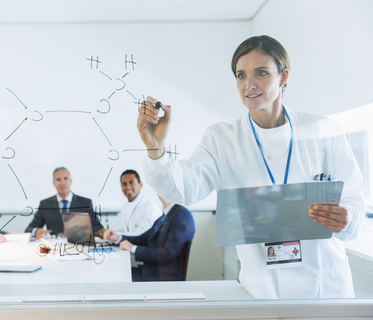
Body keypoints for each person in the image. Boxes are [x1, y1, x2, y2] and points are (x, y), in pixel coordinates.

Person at [136, 35, 364, 299]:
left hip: (325, 289)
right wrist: (155, 148)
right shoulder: (222, 139)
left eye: (262, 73)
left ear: (284, 76)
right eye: (241, 75)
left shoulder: (324, 131)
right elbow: (182, 189)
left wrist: (347, 216)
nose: (249, 85)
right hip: (264, 292)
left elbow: (355, 202)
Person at [104, 195, 195, 281]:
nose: (164, 192)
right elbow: (143, 239)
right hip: (151, 271)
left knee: (116, 277)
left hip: (162, 278)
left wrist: (133, 248)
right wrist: (118, 238)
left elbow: (168, 254)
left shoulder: (180, 214)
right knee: (115, 271)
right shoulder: (164, 216)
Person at [25, 167, 104, 239]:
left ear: (70, 181)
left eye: (65, 178)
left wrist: (102, 233)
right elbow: (30, 229)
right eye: (58, 179)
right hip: (55, 247)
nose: (62, 183)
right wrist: (36, 231)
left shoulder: (85, 203)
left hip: (79, 246)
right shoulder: (45, 204)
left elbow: (97, 228)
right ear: (53, 183)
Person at [104, 170, 162, 238]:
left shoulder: (151, 207)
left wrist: (117, 236)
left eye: (131, 183)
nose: (128, 187)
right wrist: (109, 232)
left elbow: (141, 235)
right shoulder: (124, 207)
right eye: (124, 184)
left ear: (140, 185)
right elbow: (126, 228)